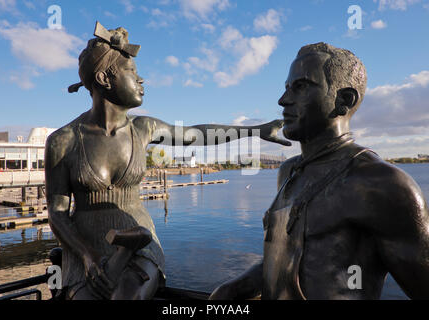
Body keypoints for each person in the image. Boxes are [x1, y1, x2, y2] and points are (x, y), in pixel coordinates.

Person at [45, 22, 290, 300]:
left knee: (129, 297)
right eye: (132, 72)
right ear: (104, 79)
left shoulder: (143, 128)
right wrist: (87, 256)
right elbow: (57, 212)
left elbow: (197, 134)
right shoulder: (62, 140)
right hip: (84, 247)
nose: (141, 80)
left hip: (139, 241)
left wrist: (256, 130)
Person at [209, 42, 429, 300]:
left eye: (301, 87)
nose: (283, 100)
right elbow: (292, 261)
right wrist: (234, 289)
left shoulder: (381, 184)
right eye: (286, 88)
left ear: (343, 100)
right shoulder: (289, 172)